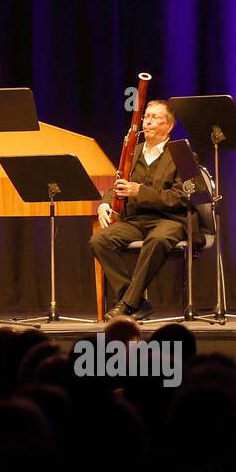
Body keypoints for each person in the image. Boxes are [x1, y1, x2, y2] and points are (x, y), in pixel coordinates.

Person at [90, 99, 190, 321]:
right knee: (99, 240)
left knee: (157, 240)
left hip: (171, 220)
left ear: (170, 126)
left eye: (155, 117)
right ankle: (136, 303)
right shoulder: (132, 151)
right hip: (135, 220)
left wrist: (140, 191)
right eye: (146, 116)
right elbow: (118, 182)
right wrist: (105, 203)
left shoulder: (183, 153)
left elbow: (185, 197)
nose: (148, 121)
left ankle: (127, 304)